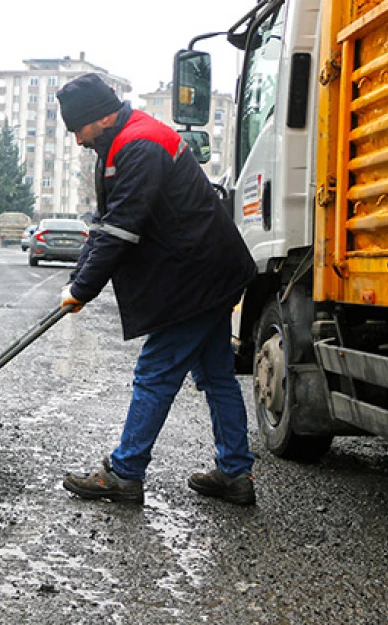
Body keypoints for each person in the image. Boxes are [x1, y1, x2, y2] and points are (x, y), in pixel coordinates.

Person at [54, 73, 258, 506]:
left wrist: (83, 290)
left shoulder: (139, 144)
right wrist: (77, 279)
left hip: (195, 278)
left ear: (100, 116)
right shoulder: (123, 141)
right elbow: (105, 224)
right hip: (208, 272)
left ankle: (125, 473)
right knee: (216, 375)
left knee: (155, 373)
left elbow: (123, 228)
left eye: (78, 129)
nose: (76, 140)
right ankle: (235, 473)